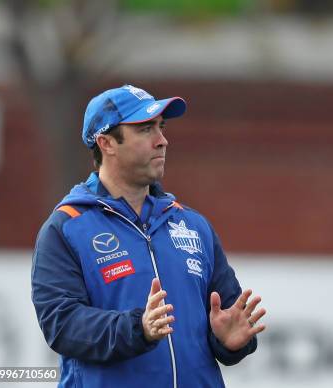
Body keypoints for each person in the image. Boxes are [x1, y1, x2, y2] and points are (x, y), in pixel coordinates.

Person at [31, 85, 266, 388]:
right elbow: (62, 325)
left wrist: (231, 342)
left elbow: (227, 318)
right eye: (145, 129)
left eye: (161, 127)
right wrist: (137, 328)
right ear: (106, 143)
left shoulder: (193, 225)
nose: (162, 141)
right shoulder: (66, 228)